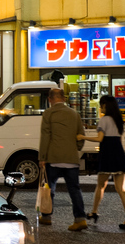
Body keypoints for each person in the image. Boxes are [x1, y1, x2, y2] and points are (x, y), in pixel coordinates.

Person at [77, 95, 125, 231]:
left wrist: (82, 136)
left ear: (105, 106)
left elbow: (100, 138)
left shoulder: (104, 120)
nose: (100, 107)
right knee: (121, 189)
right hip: (118, 153)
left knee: (100, 185)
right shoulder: (118, 120)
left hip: (108, 153)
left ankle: (94, 212)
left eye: (101, 105)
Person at [38, 87, 88, 231]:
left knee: (49, 188)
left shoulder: (48, 113)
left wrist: (42, 157)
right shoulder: (74, 114)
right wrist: (76, 148)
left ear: (50, 100)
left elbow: (45, 136)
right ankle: (80, 219)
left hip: (53, 158)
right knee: (74, 189)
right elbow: (81, 135)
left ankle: (46, 216)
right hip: (71, 158)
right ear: (64, 98)